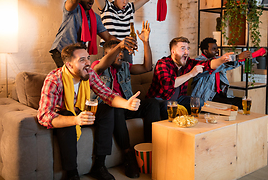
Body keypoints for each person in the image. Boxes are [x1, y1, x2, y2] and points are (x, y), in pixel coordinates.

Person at [37, 43, 140, 180]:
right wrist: (75, 119)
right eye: (82, 60)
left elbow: (108, 95)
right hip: (66, 120)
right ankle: (72, 173)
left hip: (82, 113)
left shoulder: (89, 73)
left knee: (107, 109)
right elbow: (44, 115)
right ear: (69, 65)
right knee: (66, 113)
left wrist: (126, 104)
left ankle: (99, 165)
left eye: (88, 58)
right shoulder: (55, 80)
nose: (88, 63)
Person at [91, 21, 160, 178]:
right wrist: (119, 46)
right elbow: (102, 65)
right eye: (117, 54)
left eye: (122, 55)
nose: (120, 57)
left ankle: (151, 147)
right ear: (108, 54)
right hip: (111, 109)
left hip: (128, 106)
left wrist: (145, 42)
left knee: (152, 103)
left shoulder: (125, 66)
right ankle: (129, 156)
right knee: (115, 108)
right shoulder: (97, 66)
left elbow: (147, 67)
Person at [49, 0, 137, 68]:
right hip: (61, 50)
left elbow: (108, 37)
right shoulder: (73, 9)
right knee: (69, 78)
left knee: (79, 78)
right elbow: (73, 0)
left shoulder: (95, 18)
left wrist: (123, 43)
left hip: (76, 53)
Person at [145, 36, 236, 119]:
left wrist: (221, 60)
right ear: (173, 51)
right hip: (160, 100)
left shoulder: (187, 62)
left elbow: (207, 65)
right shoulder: (163, 63)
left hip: (178, 99)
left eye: (187, 49)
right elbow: (169, 85)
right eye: (182, 48)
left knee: (198, 101)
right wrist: (190, 74)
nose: (187, 52)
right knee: (167, 105)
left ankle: (192, 124)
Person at [92, 0, 165, 62]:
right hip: (110, 48)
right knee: (109, 74)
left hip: (126, 48)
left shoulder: (129, 8)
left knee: (126, 73)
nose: (125, 2)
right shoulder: (106, 7)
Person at [192, 37, 251, 109]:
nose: (217, 51)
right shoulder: (198, 61)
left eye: (217, 48)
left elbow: (230, 64)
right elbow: (215, 67)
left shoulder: (217, 59)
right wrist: (237, 57)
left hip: (219, 94)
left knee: (241, 102)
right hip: (205, 97)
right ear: (205, 51)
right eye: (214, 49)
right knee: (231, 105)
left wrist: (252, 56)